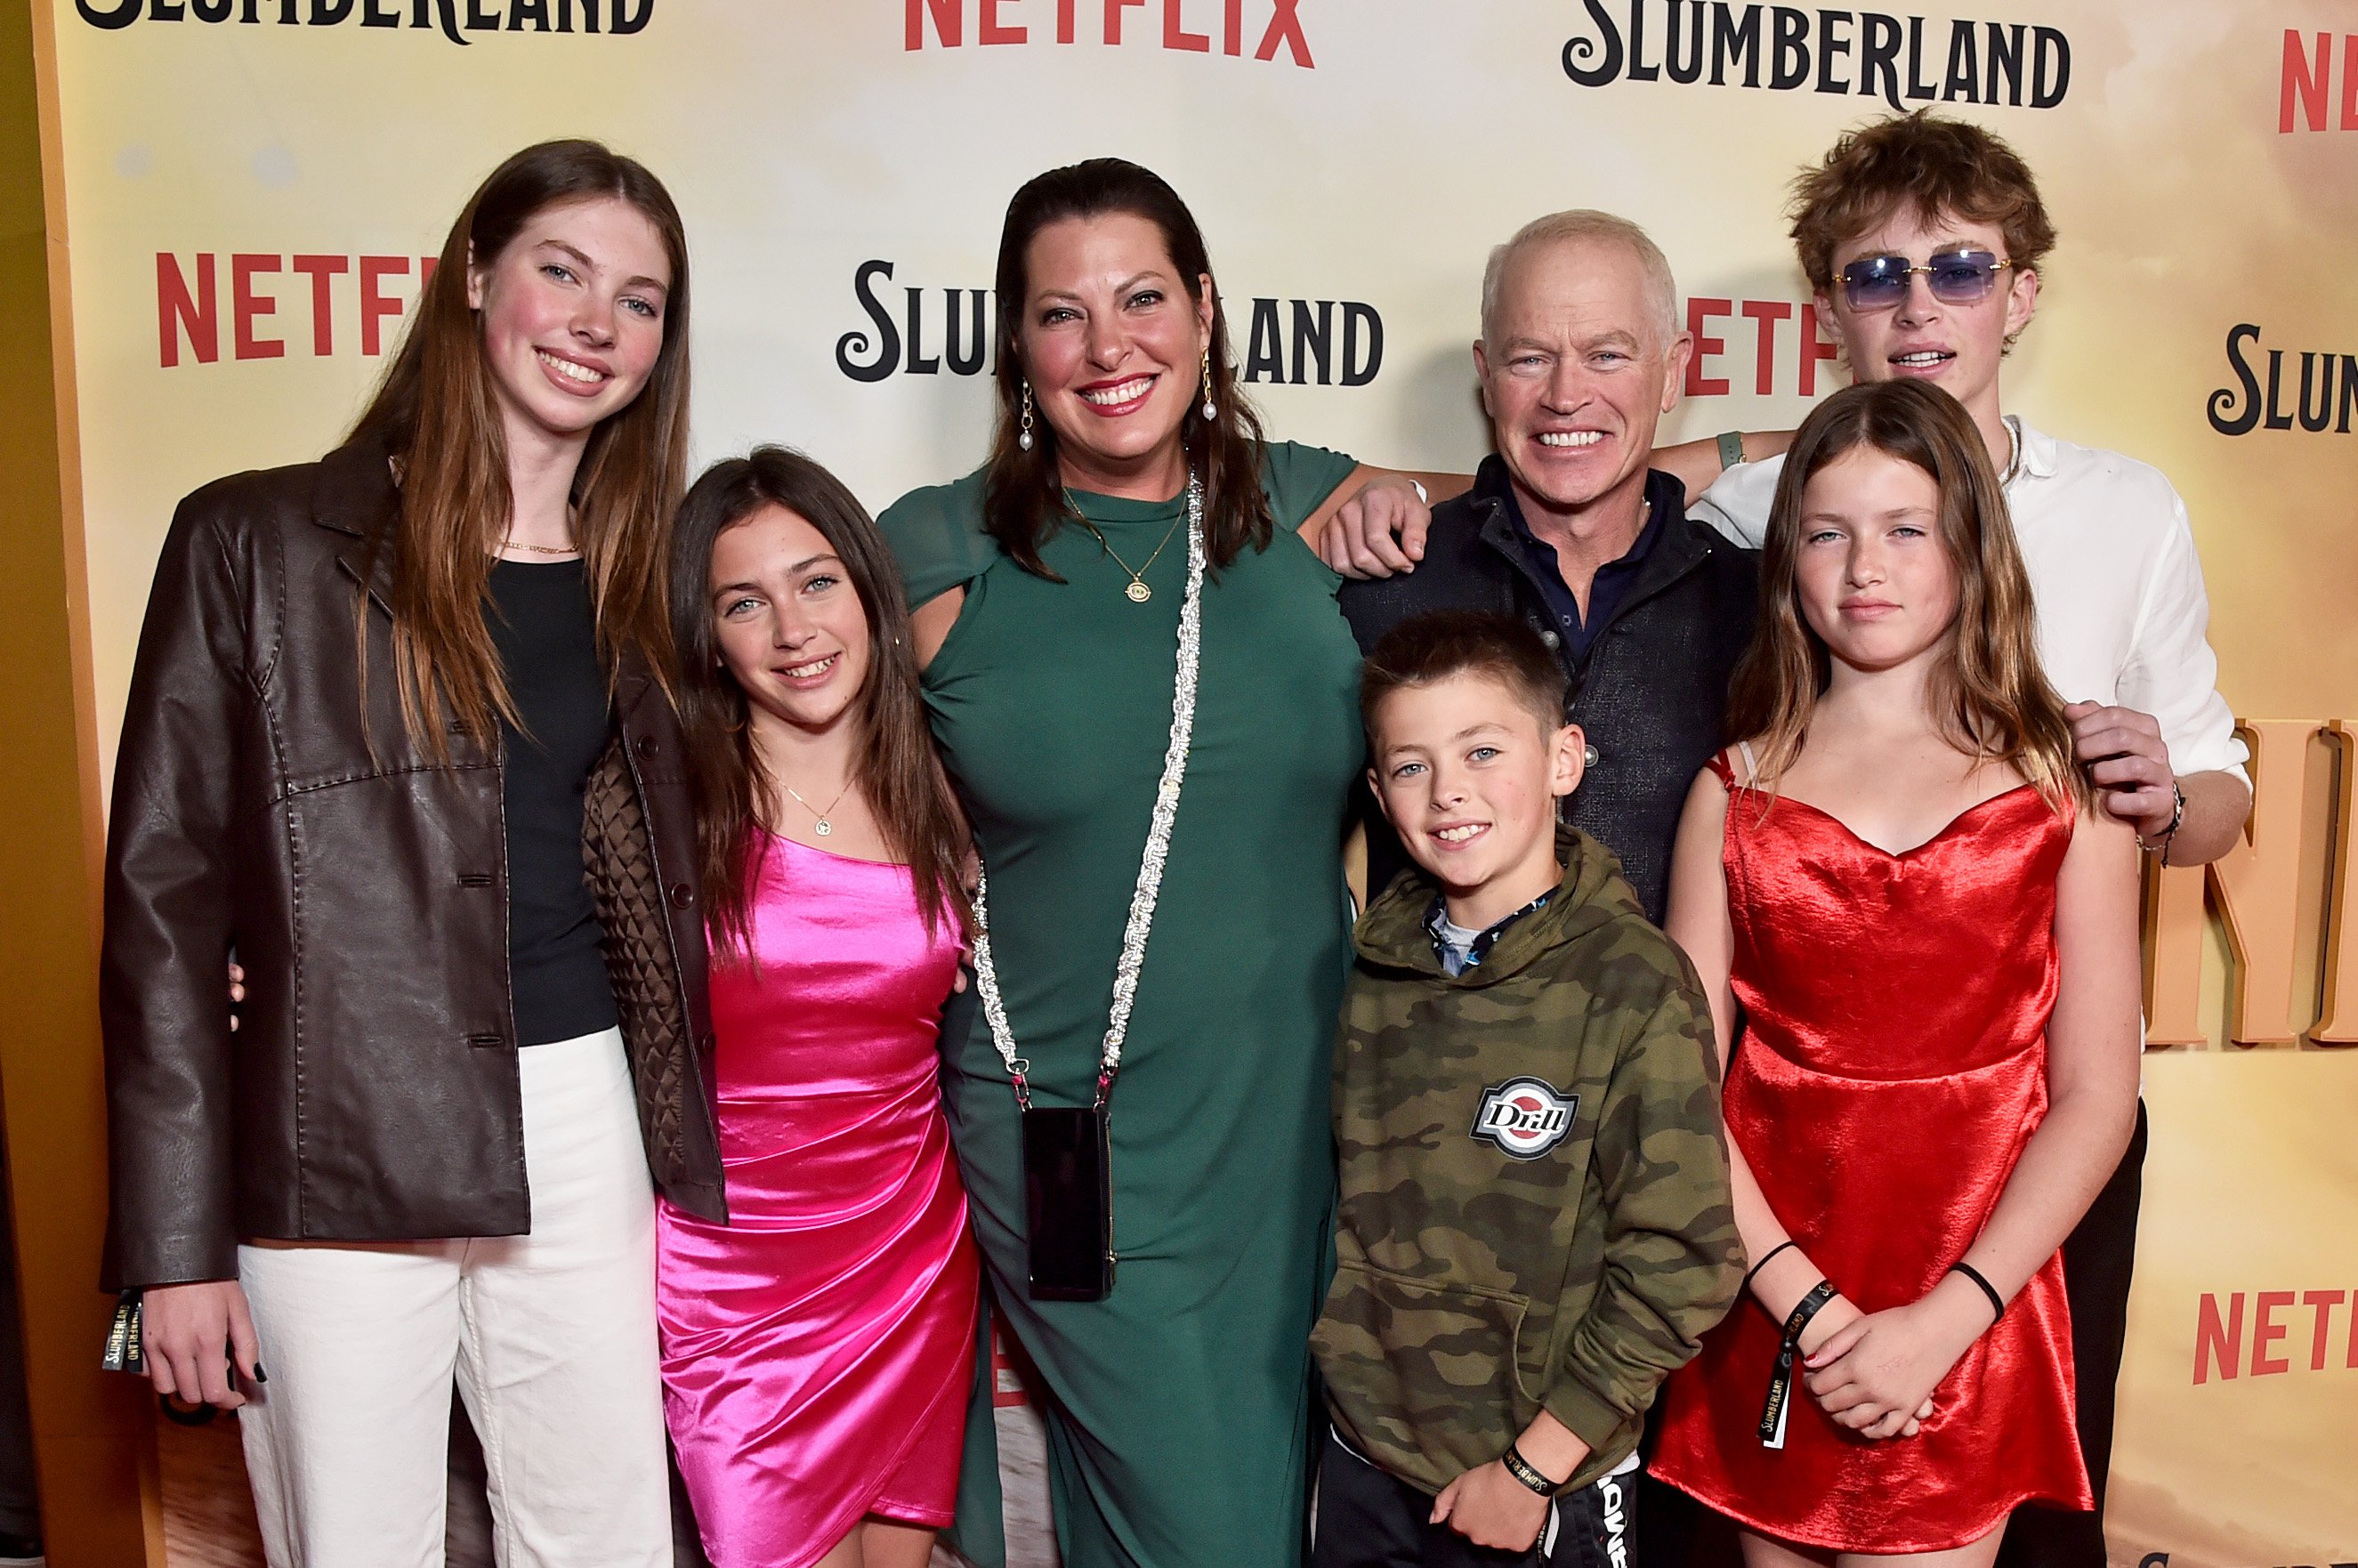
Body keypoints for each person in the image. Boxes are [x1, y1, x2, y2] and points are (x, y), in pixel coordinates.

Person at [101, 140, 711, 1567]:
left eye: (639, 300)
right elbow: (161, 901)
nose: (594, 321)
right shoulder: (253, 538)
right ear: (471, 277)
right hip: (337, 1121)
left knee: (607, 1537)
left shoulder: (654, 573)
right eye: (560, 270)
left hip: (583, 1112)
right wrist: (174, 1247)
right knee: (357, 1544)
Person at [1668, 112, 2248, 1567]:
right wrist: (1343, 497)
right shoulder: (1749, 511)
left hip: (2011, 1176)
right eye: (1877, 275)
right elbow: (1594, 474)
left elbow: (2213, 791)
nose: (1919, 302)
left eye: (1959, 266)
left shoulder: (2126, 511)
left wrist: (2154, 799)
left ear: (2022, 290)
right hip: (1784, 1218)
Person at [874, 157, 1430, 1568]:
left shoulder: (1304, 509)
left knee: (1260, 1487)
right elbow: (755, 754)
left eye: (1141, 299)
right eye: (1062, 315)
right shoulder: (937, 555)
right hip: (1069, 1122)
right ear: (1016, 344)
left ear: (1204, 309)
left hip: (1295, 1121)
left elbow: (1573, 484)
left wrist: (1747, 455)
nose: (1108, 347)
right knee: (1210, 1524)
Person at [1648, 379, 2143, 1564]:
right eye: (1826, 531)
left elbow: (2093, 1096)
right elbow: (1675, 1093)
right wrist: (1806, 1311)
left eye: (1903, 528)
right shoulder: (1731, 794)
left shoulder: (2064, 797)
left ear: (1969, 548)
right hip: (1774, 1307)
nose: (1862, 566)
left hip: (1971, 1311)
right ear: (1786, 561)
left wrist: (1945, 1319)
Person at [581, 448, 981, 1568]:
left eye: (816, 583)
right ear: (708, 635)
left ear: (867, 589)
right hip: (730, 1276)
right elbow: (505, 940)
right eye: (745, 602)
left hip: (907, 1252)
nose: (794, 629)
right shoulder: (659, 805)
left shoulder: (940, 788)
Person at [1310, 609, 1740, 1568]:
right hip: (1365, 1459)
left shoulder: (1631, 983)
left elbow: (1685, 1262)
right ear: (1378, 793)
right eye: (1412, 766)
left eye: (1482, 751)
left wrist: (1534, 1469)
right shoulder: (1367, 972)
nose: (1447, 792)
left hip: (1547, 1481)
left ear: (1562, 758)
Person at [1331, 212, 1756, 923]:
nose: (1566, 396)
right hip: (1419, 1034)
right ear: (1486, 377)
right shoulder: (1381, 588)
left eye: (1608, 356)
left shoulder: (1756, 606)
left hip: (1683, 1034)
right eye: (1530, 358)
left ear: (1675, 370)